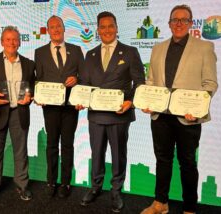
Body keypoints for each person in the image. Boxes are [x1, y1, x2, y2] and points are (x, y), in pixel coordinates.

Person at [140, 5, 218, 214]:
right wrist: (148, 100)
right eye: (175, 20)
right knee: (162, 160)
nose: (179, 23)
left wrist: (199, 109)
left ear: (191, 23)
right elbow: (151, 80)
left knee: (187, 164)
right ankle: (160, 203)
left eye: (184, 20)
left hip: (188, 117)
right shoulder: (158, 48)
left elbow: (210, 84)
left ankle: (190, 208)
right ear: (169, 23)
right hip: (161, 116)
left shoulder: (204, 47)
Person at [79, 11, 145, 213]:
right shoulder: (89, 54)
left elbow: (140, 83)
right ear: (98, 30)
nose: (107, 30)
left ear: (116, 28)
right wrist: (81, 99)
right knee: (96, 153)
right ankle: (95, 187)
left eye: (110, 26)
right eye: (103, 27)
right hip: (96, 115)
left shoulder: (130, 51)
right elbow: (84, 84)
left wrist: (130, 102)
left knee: (119, 154)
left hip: (119, 114)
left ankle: (116, 190)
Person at [0, 26, 35, 203]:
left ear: (20, 42)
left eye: (15, 39)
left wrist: (30, 96)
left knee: (21, 151)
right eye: (8, 39)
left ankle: (22, 185)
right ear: (2, 41)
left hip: (20, 112)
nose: (12, 42)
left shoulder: (29, 63)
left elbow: (32, 87)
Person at [34, 15, 84, 198]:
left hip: (71, 107)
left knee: (68, 145)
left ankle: (65, 183)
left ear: (64, 29)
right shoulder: (39, 52)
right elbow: (37, 79)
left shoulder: (76, 50)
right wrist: (38, 96)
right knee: (51, 145)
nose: (56, 29)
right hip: (51, 107)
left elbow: (84, 76)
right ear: (48, 31)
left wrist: (77, 79)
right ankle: (51, 181)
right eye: (52, 27)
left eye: (59, 26)